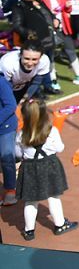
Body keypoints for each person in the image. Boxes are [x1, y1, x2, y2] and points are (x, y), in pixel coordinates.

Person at [16, 98, 78, 240]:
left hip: (30, 168)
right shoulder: (52, 131)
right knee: (53, 196)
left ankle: (28, 231)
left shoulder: (21, 134)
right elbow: (60, 148)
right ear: (44, 114)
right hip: (49, 166)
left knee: (30, 200)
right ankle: (60, 224)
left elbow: (20, 154)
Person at [9, 0, 58, 93]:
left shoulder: (38, 2)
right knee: (33, 67)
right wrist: (30, 34)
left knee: (48, 63)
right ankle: (36, 92)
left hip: (47, 38)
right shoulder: (19, 7)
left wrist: (55, 19)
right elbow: (17, 25)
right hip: (33, 43)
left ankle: (48, 86)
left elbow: (49, 14)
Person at [0, 73, 17, 206]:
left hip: (5, 127)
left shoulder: (1, 82)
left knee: (7, 158)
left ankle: (11, 189)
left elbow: (11, 105)